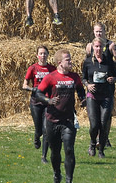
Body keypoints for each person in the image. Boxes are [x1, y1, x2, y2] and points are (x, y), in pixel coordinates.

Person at [34, 49, 86, 183]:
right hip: (52, 120)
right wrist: (48, 101)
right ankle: (57, 174)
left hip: (68, 120)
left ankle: (69, 180)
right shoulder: (50, 77)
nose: (71, 62)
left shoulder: (75, 77)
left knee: (69, 150)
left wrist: (82, 98)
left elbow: (80, 89)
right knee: (55, 152)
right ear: (60, 63)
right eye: (67, 60)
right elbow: (38, 93)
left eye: (70, 59)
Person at [82, 37, 116, 158]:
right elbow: (83, 78)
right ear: (92, 47)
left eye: (100, 47)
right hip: (92, 96)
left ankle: (101, 150)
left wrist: (113, 79)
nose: (98, 49)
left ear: (103, 48)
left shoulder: (108, 61)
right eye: (96, 47)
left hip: (106, 96)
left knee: (103, 123)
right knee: (94, 124)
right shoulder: (88, 62)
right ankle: (92, 143)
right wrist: (88, 85)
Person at [22, 45, 56, 163]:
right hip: (36, 102)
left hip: (48, 102)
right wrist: (33, 90)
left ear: (48, 55)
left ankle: (44, 157)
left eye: (45, 53)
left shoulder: (52, 69)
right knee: (39, 129)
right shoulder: (32, 68)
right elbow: (24, 85)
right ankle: (37, 137)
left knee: (46, 129)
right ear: (37, 56)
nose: (43, 55)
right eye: (41, 53)